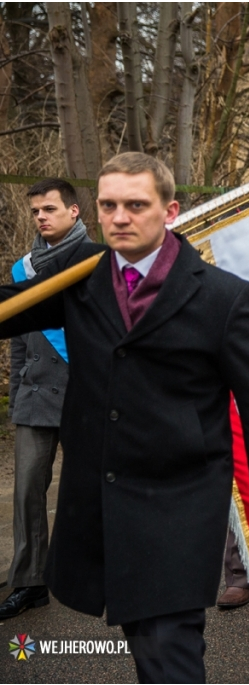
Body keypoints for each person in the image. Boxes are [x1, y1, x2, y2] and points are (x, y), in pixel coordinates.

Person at [0, 153, 249, 682]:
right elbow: (13, 307)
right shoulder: (79, 280)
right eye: (109, 205)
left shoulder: (221, 296)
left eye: (136, 205)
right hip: (103, 493)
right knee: (143, 635)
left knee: (168, 644)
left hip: (181, 497)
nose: (119, 217)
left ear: (170, 209)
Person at [0, 179, 89, 621]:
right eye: (35, 210)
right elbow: (19, 338)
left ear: (74, 211)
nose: (40, 217)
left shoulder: (98, 262)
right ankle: (29, 582)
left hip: (84, 394)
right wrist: (18, 394)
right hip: (35, 397)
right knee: (27, 495)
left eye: (49, 208)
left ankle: (109, 573)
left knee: (93, 490)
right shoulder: (24, 269)